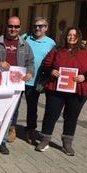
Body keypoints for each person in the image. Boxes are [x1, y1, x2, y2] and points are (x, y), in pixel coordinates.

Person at [36, 27, 87, 156]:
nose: (71, 37)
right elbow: (45, 65)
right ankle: (45, 140)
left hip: (77, 91)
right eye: (69, 35)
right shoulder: (57, 51)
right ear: (65, 37)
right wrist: (51, 71)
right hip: (56, 89)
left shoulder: (85, 53)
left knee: (71, 117)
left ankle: (67, 143)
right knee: (50, 114)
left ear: (78, 37)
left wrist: (84, 77)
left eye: (74, 35)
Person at [0, 16, 34, 154]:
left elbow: (30, 63)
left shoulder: (25, 45)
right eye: (11, 26)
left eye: (16, 27)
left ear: (20, 28)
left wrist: (30, 73)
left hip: (15, 87)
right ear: (6, 27)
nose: (13, 29)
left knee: (9, 115)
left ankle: (2, 141)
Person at [22, 17, 56, 145]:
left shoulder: (51, 43)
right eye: (35, 26)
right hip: (19, 78)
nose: (37, 28)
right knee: (13, 106)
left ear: (46, 28)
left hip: (35, 81)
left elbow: (54, 61)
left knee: (32, 108)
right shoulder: (25, 37)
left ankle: (30, 129)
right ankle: (11, 128)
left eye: (41, 26)